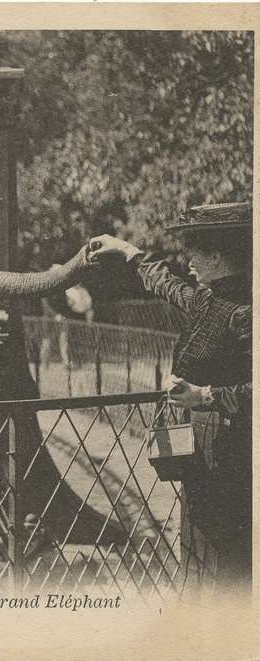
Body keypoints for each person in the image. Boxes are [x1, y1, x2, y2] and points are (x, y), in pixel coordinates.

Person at [86, 202, 252, 595]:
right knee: (201, 547)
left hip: (234, 451)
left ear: (218, 255)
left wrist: (206, 395)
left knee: (228, 557)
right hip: (204, 450)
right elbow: (166, 283)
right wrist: (128, 252)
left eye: (194, 250)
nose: (187, 259)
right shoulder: (210, 299)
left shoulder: (245, 311)